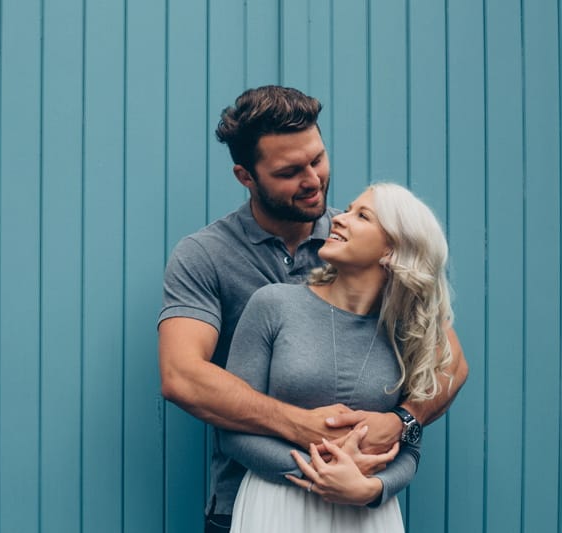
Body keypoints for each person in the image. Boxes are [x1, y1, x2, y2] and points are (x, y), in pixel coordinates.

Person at [157, 85, 468, 532]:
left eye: (317, 159)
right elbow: (182, 374)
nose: (313, 179)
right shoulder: (205, 255)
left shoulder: (366, 243)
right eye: (289, 171)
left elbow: (448, 362)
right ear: (246, 176)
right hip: (249, 502)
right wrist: (308, 430)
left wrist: (402, 423)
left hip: (361, 504)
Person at [220, 182, 452, 532]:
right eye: (346, 210)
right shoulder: (273, 304)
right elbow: (232, 431)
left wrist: (372, 488)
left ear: (391, 249)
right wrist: (321, 475)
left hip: (368, 511)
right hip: (278, 505)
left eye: (362, 216)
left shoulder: (408, 331)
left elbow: (409, 445)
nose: (339, 220)